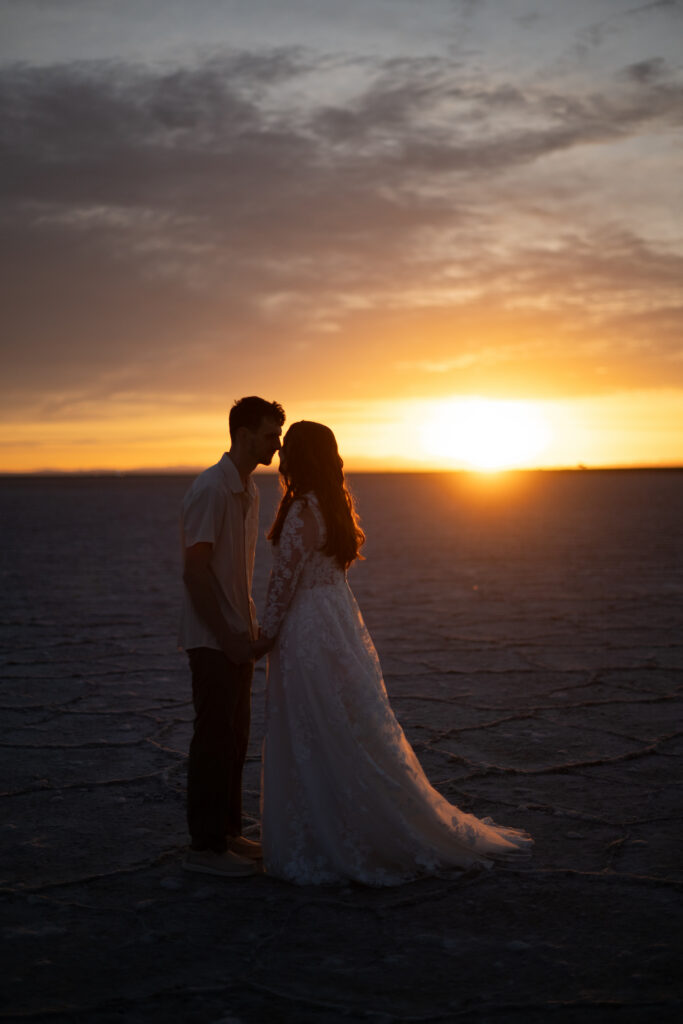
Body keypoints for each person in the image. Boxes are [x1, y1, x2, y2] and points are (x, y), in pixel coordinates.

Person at [258, 421, 533, 885]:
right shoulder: (331, 503)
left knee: (318, 727)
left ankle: (338, 834)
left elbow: (283, 584)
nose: (281, 459)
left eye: (288, 452)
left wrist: (261, 635)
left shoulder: (304, 508)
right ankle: (346, 822)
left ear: (301, 458)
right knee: (342, 726)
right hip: (335, 620)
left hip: (309, 628)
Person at [179, 396, 285, 877]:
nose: (277, 445)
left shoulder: (250, 489)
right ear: (243, 435)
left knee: (236, 738)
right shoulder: (212, 489)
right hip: (211, 637)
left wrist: (249, 628)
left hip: (238, 635)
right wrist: (225, 635)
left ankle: (227, 832)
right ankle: (205, 848)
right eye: (269, 435)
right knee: (213, 739)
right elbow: (196, 571)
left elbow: (236, 571)